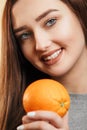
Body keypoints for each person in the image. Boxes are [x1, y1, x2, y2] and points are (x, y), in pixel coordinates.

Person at [0, 0, 87, 130]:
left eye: (50, 21)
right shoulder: (20, 116)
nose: (40, 45)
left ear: (80, 13)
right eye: (25, 35)